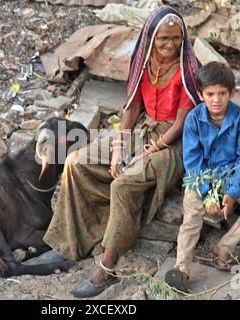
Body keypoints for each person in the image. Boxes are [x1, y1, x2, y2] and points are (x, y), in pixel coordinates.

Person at [42, 5, 201, 298]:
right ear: (151, 38)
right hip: (141, 132)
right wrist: (119, 149)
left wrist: (143, 154)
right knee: (77, 162)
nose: (170, 45)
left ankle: (107, 269)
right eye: (164, 39)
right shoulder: (143, 62)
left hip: (172, 146)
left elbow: (180, 125)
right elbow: (131, 109)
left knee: (124, 184)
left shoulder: (189, 70)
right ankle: (67, 244)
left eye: (177, 38)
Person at [165, 61, 240, 293]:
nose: (216, 100)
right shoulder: (193, 120)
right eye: (210, 94)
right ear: (200, 95)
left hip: (232, 174)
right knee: (191, 212)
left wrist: (231, 193)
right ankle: (181, 269)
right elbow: (192, 161)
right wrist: (207, 194)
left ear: (232, 93)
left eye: (222, 93)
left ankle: (223, 248)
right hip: (202, 176)